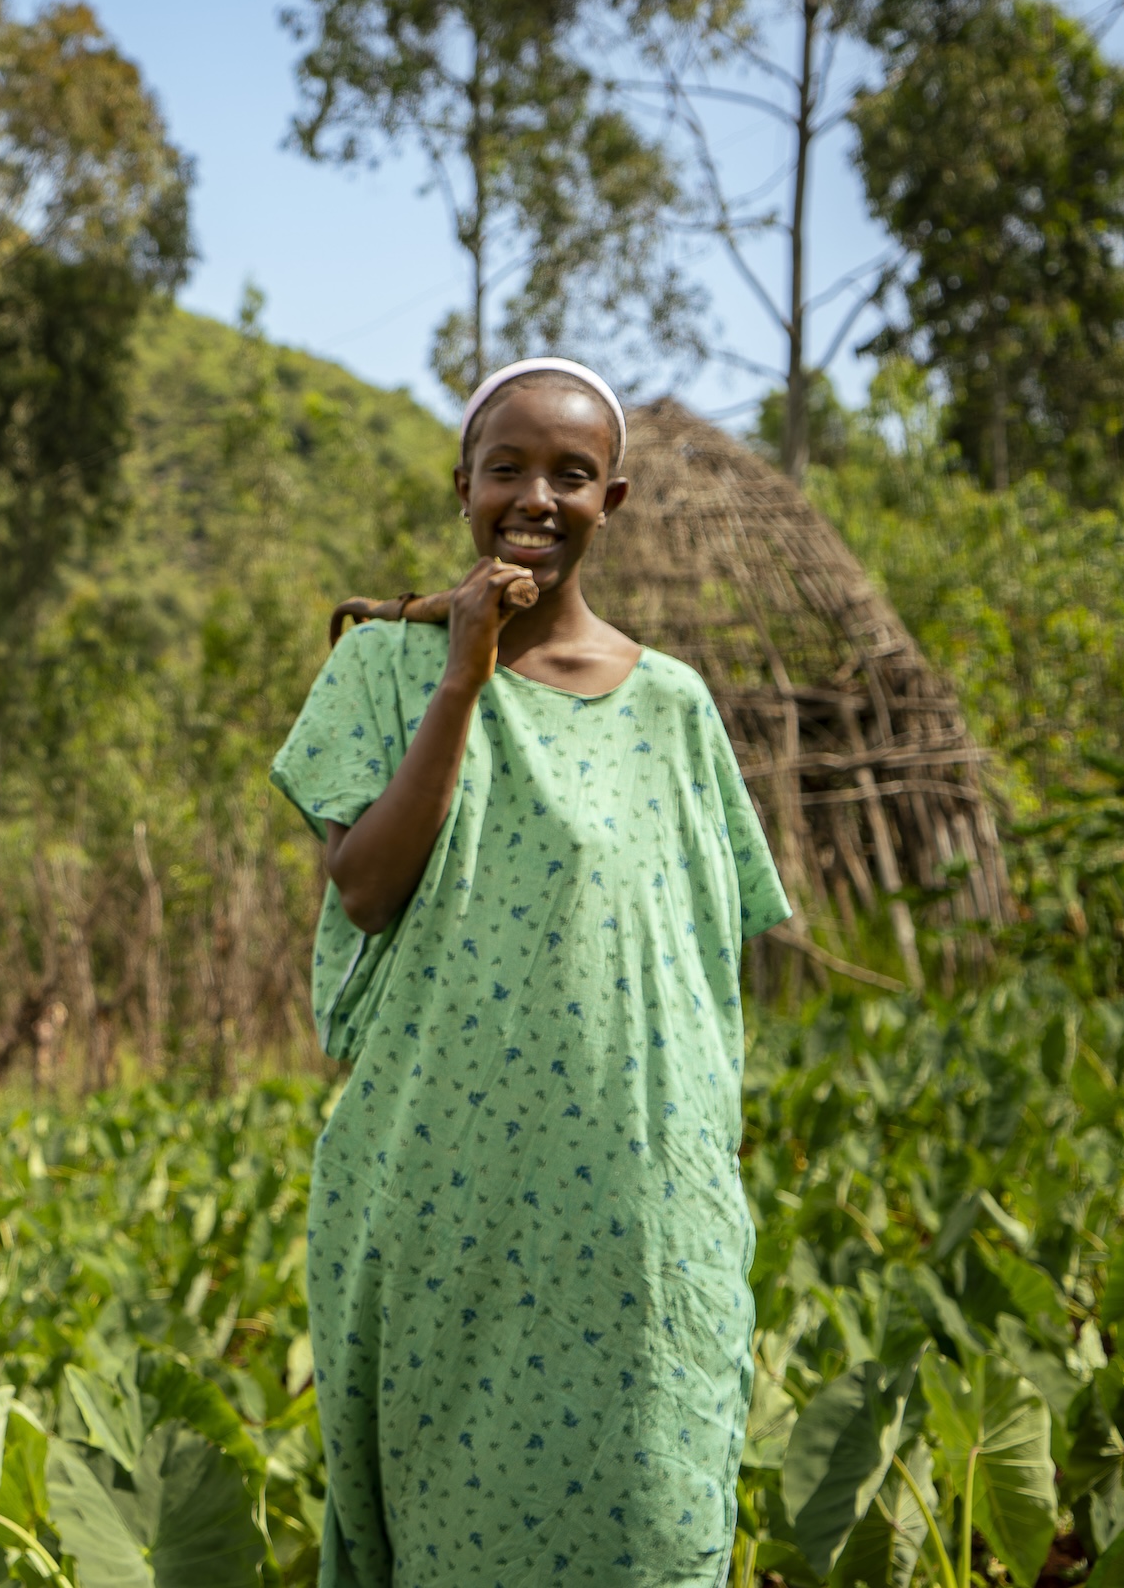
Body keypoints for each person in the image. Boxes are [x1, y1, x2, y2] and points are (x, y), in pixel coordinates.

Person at [271, 359, 792, 1584]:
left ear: (612, 498)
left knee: (650, 1509)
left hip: (632, 1207)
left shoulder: (674, 706)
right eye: (507, 467)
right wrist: (465, 664)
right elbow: (366, 886)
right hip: (443, 1192)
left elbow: (704, 957)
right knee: (452, 1518)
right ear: (464, 485)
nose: (535, 497)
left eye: (570, 474)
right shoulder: (382, 670)